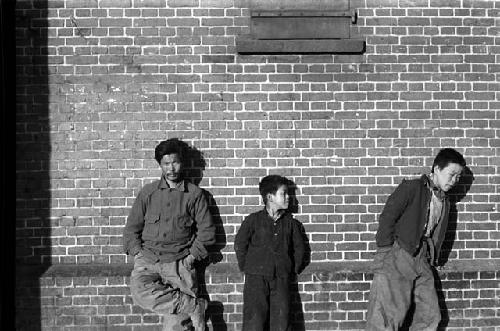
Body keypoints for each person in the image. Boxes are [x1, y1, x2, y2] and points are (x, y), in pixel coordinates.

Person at [365, 148, 466, 331]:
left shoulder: (445, 201)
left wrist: (432, 258)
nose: (454, 181)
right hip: (397, 255)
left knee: (430, 316)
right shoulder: (412, 188)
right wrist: (387, 252)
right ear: (436, 168)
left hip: (422, 260)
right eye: (451, 174)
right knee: (386, 319)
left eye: (458, 177)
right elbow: (387, 217)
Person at [123, 138, 215, 331]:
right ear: (160, 165)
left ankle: (188, 307)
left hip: (179, 264)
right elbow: (132, 229)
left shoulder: (194, 195)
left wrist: (190, 258)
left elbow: (207, 232)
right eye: (166, 163)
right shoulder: (148, 193)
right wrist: (138, 254)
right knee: (140, 292)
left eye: (175, 162)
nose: (171, 168)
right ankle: (193, 305)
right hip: (148, 261)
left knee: (176, 325)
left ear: (182, 163)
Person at [234, 175, 306, 331]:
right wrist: (247, 267)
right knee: (254, 321)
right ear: (269, 197)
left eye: (289, 194)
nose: (289, 198)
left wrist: (291, 268)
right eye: (284, 193)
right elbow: (240, 244)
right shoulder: (253, 220)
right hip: (256, 280)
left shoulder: (291, 224)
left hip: (281, 279)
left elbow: (299, 249)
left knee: (281, 321)